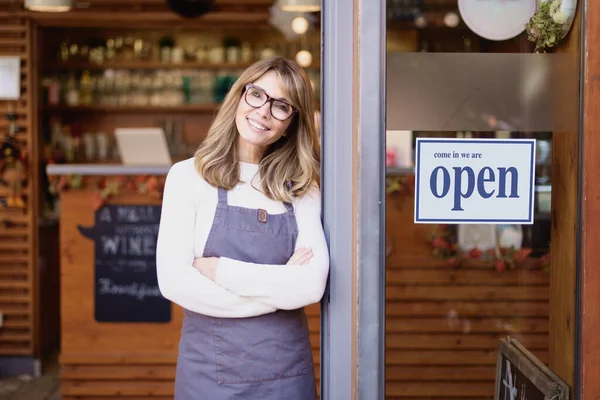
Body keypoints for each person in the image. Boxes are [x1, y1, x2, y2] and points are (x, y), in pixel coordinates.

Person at [156, 56, 329, 400]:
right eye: (257, 95)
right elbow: (174, 282)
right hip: (208, 374)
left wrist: (220, 270)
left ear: (291, 123)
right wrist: (279, 291)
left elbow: (310, 286)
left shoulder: (302, 187)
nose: (264, 111)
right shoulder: (187, 178)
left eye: (282, 106)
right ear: (239, 96)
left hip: (286, 377)